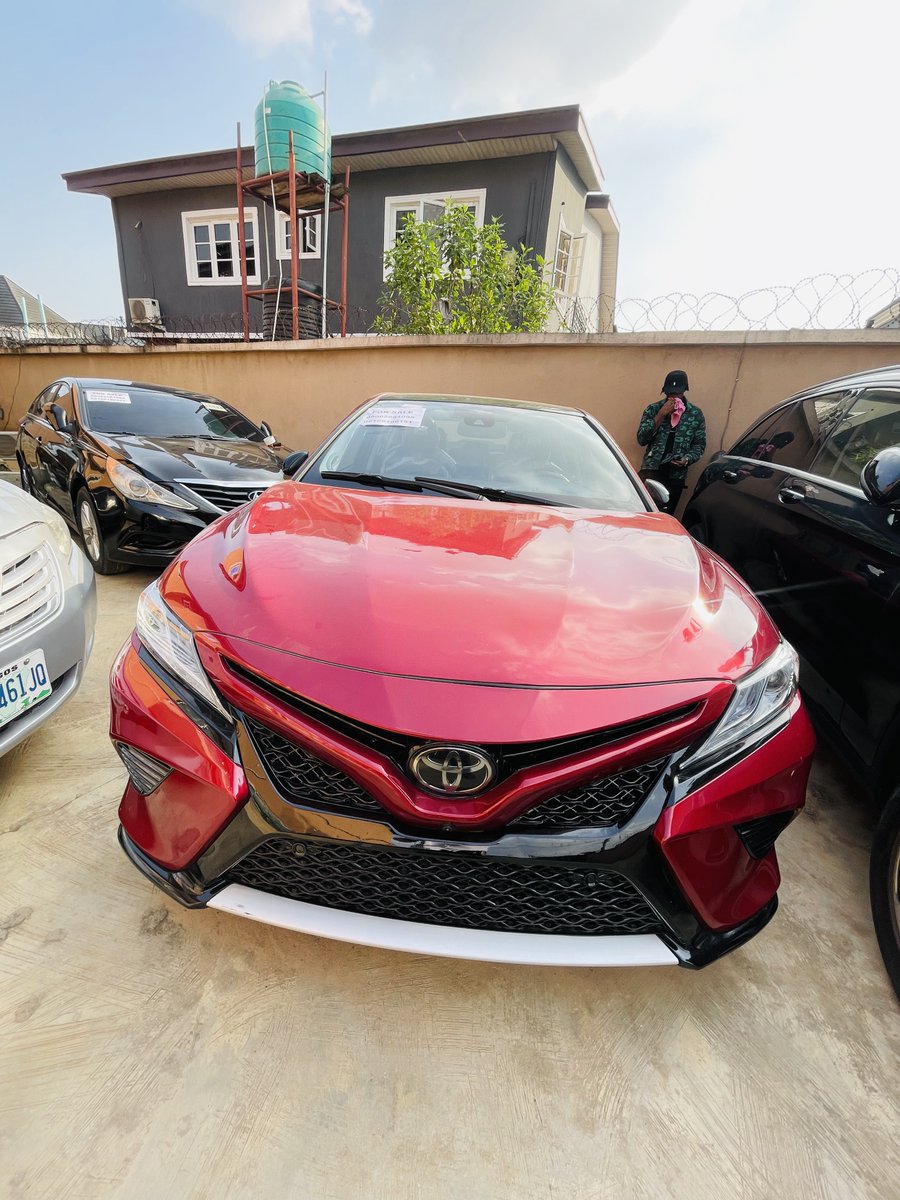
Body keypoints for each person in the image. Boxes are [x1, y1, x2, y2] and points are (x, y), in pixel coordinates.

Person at [636, 369, 706, 514]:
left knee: (667, 515)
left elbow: (699, 445)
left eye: (677, 393)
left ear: (684, 391)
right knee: (645, 513)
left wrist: (687, 459)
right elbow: (641, 439)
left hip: (676, 475)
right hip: (652, 470)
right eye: (670, 393)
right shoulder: (653, 409)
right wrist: (661, 414)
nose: (673, 397)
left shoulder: (695, 414)